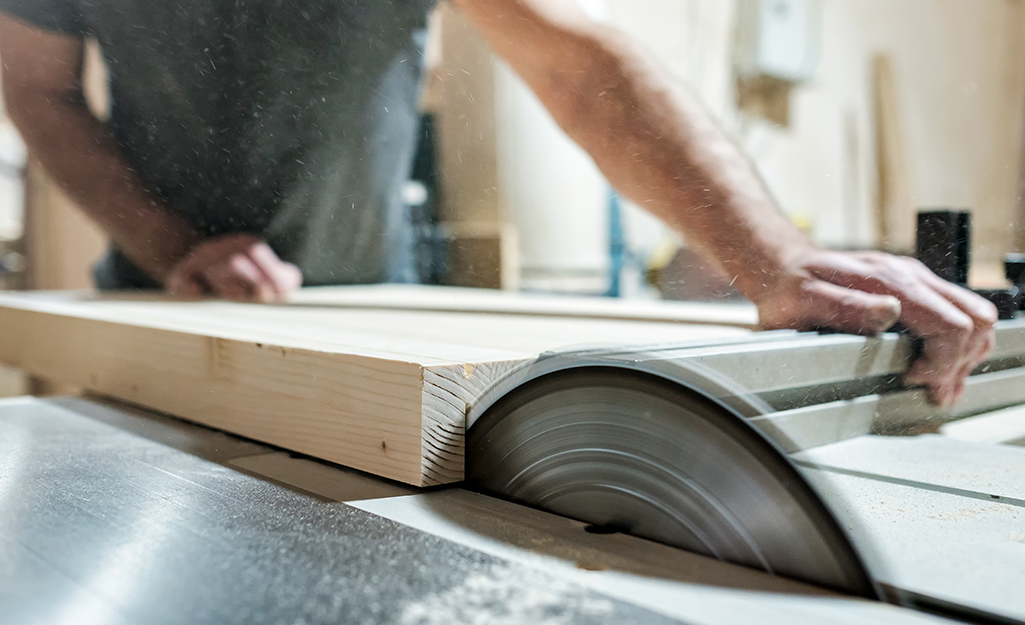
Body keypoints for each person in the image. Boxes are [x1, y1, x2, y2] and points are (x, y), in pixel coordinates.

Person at [0, 0, 996, 406]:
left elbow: (577, 67)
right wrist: (175, 245)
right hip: (148, 310)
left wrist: (772, 257)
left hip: (367, 316)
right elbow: (35, 86)